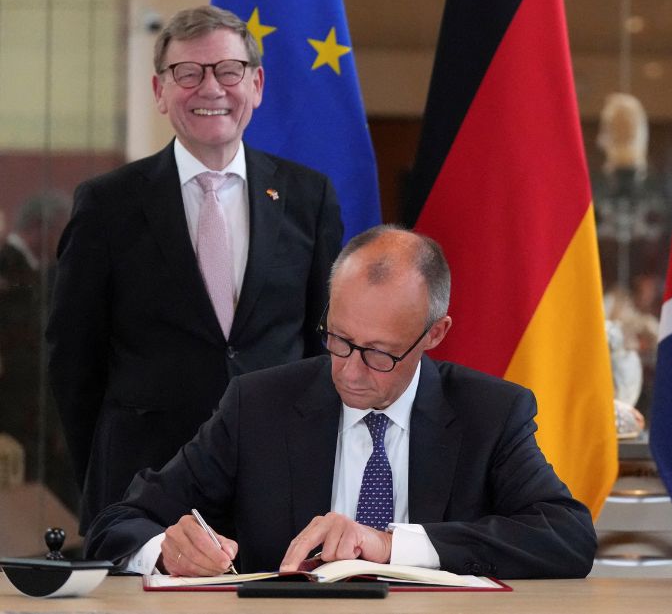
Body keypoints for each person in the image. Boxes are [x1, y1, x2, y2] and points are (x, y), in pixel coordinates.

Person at [83, 226, 596, 579]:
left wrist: (389, 546)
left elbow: (567, 536)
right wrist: (165, 551)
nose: (349, 372)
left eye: (379, 354)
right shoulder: (258, 404)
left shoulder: (490, 413)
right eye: (339, 339)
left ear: (435, 334)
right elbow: (119, 523)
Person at [47, 5, 343, 534]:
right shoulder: (107, 204)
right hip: (141, 487)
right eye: (188, 73)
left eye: (229, 70)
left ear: (256, 84)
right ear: (159, 91)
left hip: (277, 480)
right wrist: (101, 474)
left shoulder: (308, 197)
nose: (211, 88)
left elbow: (325, 344)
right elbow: (73, 360)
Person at [0, 192, 74, 510]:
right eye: (63, 230)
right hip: (19, 421)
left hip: (37, 422)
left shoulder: (35, 275)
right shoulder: (10, 270)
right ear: (43, 227)